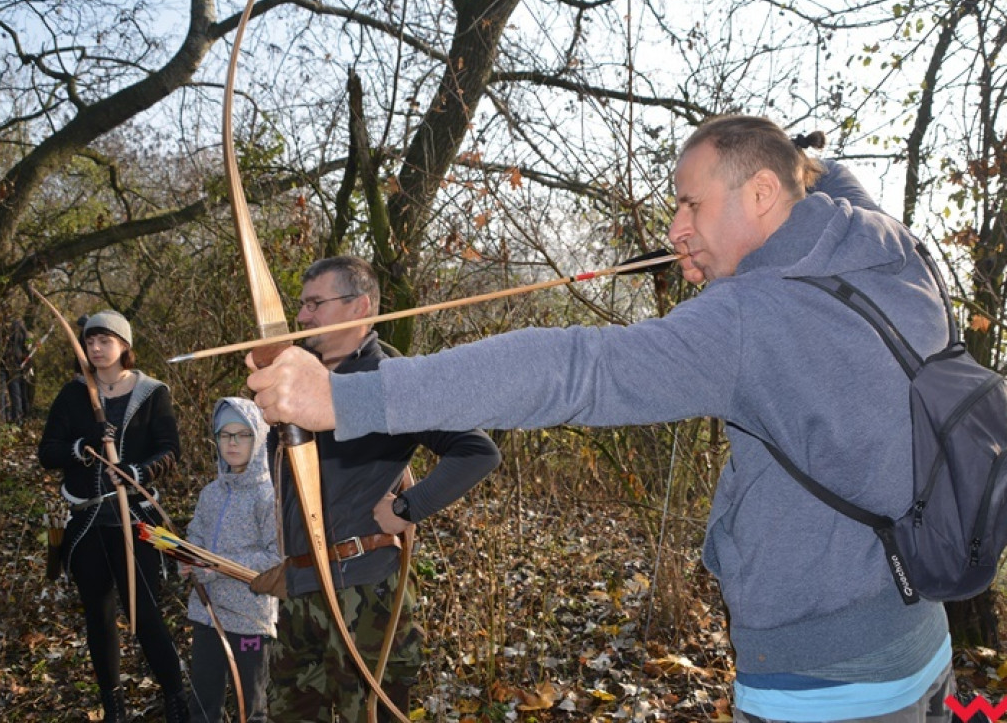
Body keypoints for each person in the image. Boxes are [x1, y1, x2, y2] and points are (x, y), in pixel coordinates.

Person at [245, 117, 958, 722]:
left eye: (691, 205)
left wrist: (344, 400)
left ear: (764, 192)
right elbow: (825, 177)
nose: (675, 228)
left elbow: (571, 369)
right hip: (922, 639)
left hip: (824, 681)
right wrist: (789, 166)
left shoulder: (748, 319)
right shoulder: (892, 248)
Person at [256, 256, 502, 722]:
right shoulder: (299, 384)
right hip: (301, 592)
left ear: (360, 308)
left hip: (364, 593)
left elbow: (477, 451)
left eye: (315, 304)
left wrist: (409, 507)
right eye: (302, 304)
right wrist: (290, 560)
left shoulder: (391, 382)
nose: (303, 316)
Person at [38, 310, 189, 723]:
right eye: (90, 341)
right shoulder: (73, 395)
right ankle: (114, 708)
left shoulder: (152, 392)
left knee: (146, 614)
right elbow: (47, 452)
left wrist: (138, 473)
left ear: (125, 345)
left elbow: (170, 449)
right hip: (86, 521)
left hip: (135, 519)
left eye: (106, 340)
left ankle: (176, 700)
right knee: (99, 616)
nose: (96, 348)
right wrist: (83, 446)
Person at [183, 397, 279, 723]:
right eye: (226, 435)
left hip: (249, 616)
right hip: (207, 613)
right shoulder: (210, 493)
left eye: (243, 435)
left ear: (260, 438)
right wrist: (187, 556)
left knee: (249, 706)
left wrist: (216, 564)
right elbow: (195, 534)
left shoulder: (268, 496)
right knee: (203, 702)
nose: (234, 443)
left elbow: (276, 557)